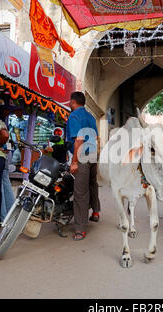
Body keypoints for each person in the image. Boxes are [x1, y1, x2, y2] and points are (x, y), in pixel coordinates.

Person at [66, 91, 101, 241]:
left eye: (69, 101)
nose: (69, 103)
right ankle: (96, 211)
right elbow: (96, 137)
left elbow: (78, 140)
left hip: (82, 157)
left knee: (80, 192)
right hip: (93, 155)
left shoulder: (74, 116)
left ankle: (80, 228)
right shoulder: (91, 117)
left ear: (73, 102)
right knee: (92, 184)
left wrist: (74, 161)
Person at [0, 108, 16, 223]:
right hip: (6, 159)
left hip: (0, 159)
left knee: (1, 188)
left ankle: (3, 217)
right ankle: (12, 214)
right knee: (6, 186)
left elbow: (6, 140)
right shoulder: (4, 126)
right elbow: (9, 146)